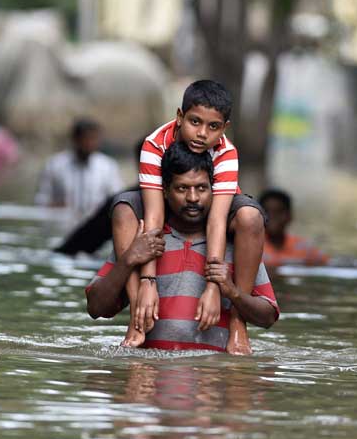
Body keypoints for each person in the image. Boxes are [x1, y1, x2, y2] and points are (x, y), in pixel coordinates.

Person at [113, 80, 266, 355]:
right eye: (195, 122)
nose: (201, 134)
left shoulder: (226, 152)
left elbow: (217, 220)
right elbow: (154, 214)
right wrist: (148, 282)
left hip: (215, 205)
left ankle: (237, 323)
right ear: (179, 116)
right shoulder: (155, 144)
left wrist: (213, 287)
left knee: (250, 217)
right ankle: (138, 316)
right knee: (123, 209)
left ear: (224, 128)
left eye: (213, 127)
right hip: (165, 202)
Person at [86, 142, 279, 352]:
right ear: (166, 192)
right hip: (149, 377)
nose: (193, 198)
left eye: (202, 188)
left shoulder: (236, 243)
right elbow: (96, 308)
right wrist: (128, 259)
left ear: (215, 190)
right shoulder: (143, 242)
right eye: (182, 188)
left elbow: (268, 316)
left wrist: (233, 292)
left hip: (213, 378)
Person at [34, 118, 125, 220]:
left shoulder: (107, 167)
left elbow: (117, 200)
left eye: (94, 139)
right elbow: (41, 201)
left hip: (95, 224)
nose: (90, 143)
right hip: (61, 224)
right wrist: (57, 207)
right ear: (76, 139)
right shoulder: (55, 165)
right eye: (87, 139)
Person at [259, 189, 329, 268]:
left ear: (290, 216)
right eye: (267, 211)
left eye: (279, 211)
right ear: (258, 215)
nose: (273, 217)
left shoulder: (304, 248)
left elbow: (327, 265)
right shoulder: (252, 248)